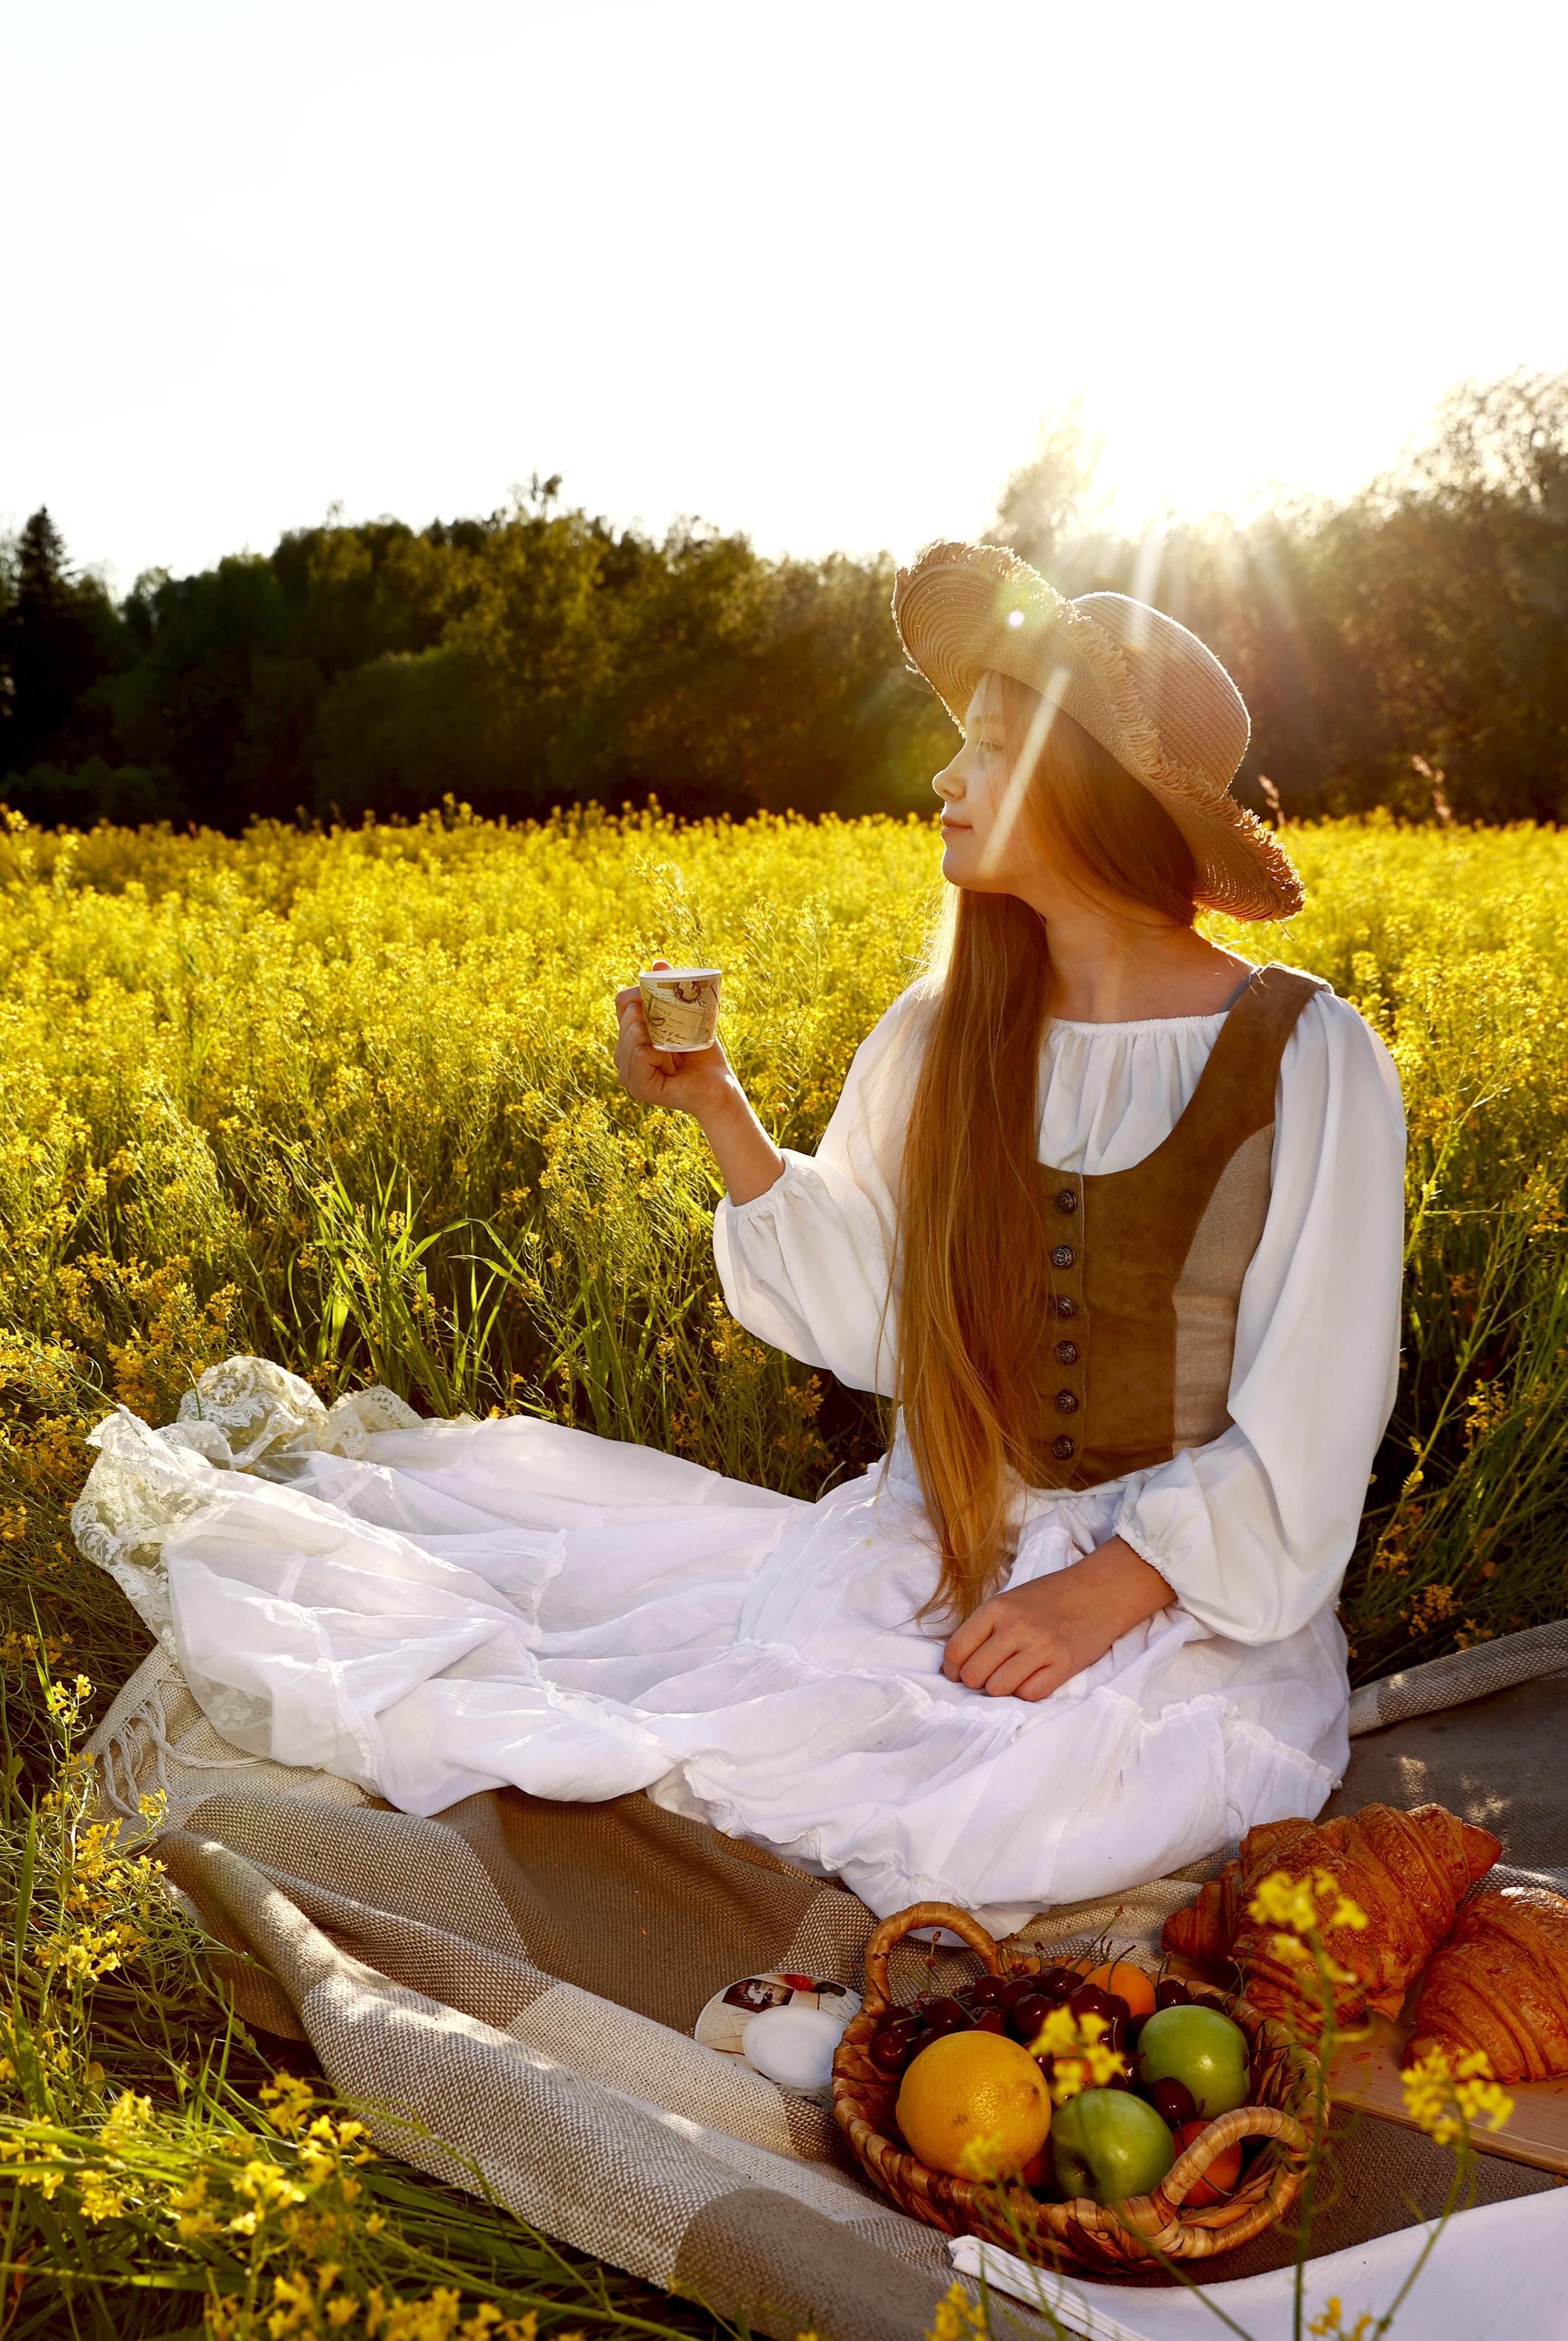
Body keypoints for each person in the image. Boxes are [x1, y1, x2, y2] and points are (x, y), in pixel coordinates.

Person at [71, 541, 1405, 1937]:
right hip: (949, 1535)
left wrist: (1107, 1592)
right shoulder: (944, 1030)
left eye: (990, 750)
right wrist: (720, 1112)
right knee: (727, 1732)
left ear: (1095, 790)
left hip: (1185, 1587)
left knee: (1039, 1814)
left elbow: (1315, 1409)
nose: (943, 781)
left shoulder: (1305, 1056)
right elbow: (870, 1306)